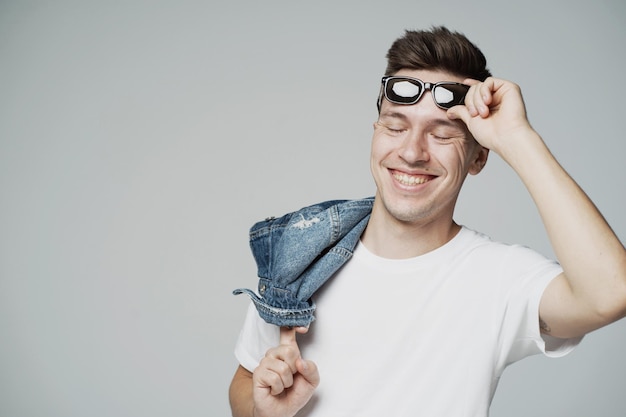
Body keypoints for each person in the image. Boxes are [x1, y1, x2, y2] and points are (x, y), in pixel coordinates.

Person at [228, 26, 626, 417]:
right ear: (376, 132)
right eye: (396, 126)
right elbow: (246, 381)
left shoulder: (499, 278)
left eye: (441, 135)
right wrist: (262, 411)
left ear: (478, 157)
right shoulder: (305, 251)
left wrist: (517, 137)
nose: (412, 152)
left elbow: (610, 292)